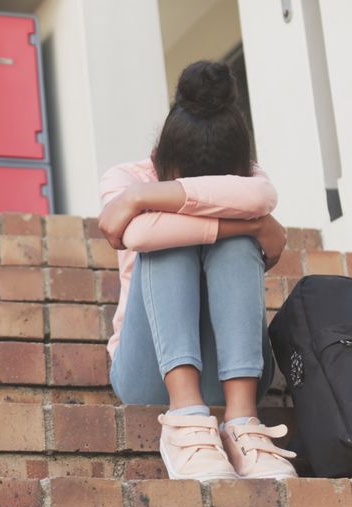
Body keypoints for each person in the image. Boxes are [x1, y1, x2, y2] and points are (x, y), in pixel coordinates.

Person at [98, 60, 297, 481]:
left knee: (233, 243)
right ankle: (185, 418)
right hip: (149, 375)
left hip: (235, 375)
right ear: (160, 160)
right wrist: (253, 223)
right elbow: (137, 234)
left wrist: (149, 199)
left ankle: (243, 422)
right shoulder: (126, 178)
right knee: (164, 240)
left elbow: (263, 193)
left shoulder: (250, 178)